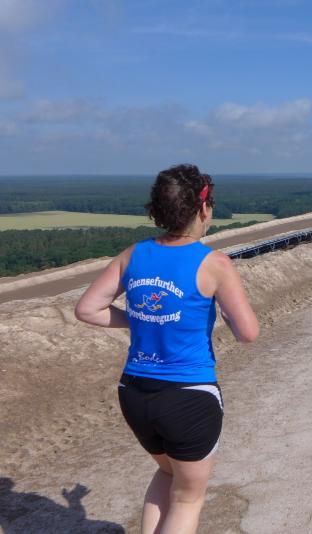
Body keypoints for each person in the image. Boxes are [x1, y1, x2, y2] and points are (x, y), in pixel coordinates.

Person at [74, 164, 259, 534]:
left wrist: (141, 319)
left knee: (167, 472)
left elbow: (87, 309)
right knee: (188, 498)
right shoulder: (214, 263)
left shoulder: (134, 254)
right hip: (189, 396)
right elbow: (248, 333)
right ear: (203, 209)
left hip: (135, 392)